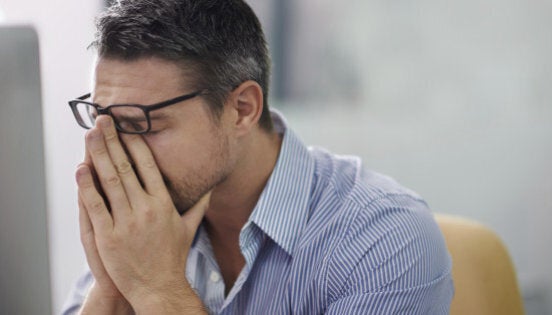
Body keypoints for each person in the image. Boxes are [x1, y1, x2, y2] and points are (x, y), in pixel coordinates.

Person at [62, 0, 453, 314]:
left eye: (144, 124)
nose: (116, 154)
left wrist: (159, 290)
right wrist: (113, 289)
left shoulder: (384, 242)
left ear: (242, 109)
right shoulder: (146, 228)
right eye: (101, 119)